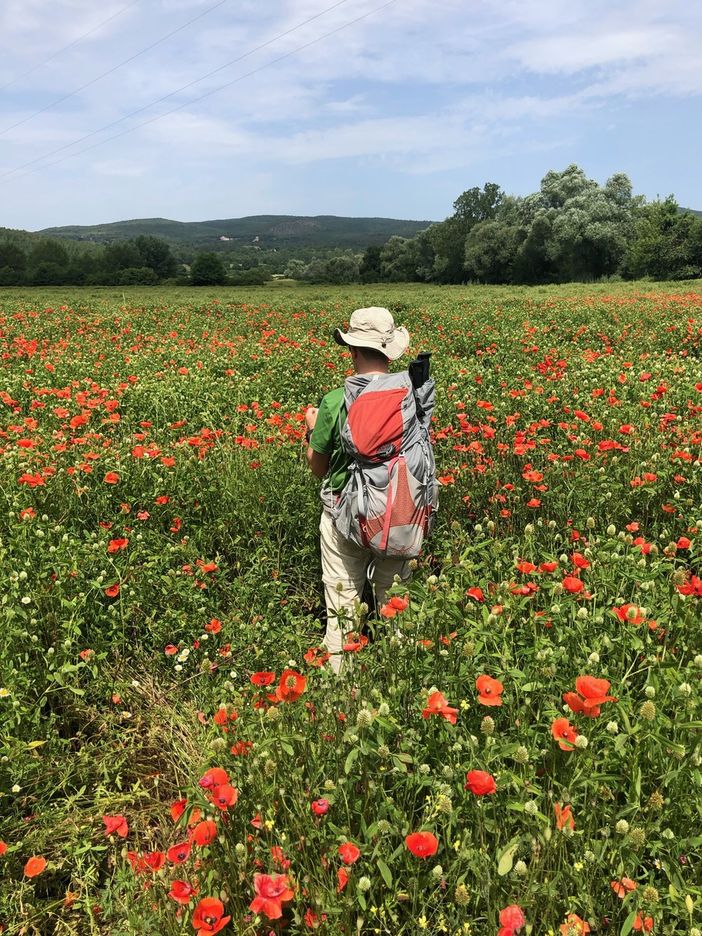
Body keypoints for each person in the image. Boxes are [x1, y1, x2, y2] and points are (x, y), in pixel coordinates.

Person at [304, 307, 419, 674]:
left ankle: (341, 689)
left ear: (352, 350)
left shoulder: (335, 400)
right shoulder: (412, 394)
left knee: (343, 608)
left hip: (345, 514)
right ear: (390, 352)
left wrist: (312, 429)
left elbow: (318, 467)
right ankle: (405, 679)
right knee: (396, 606)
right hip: (399, 513)